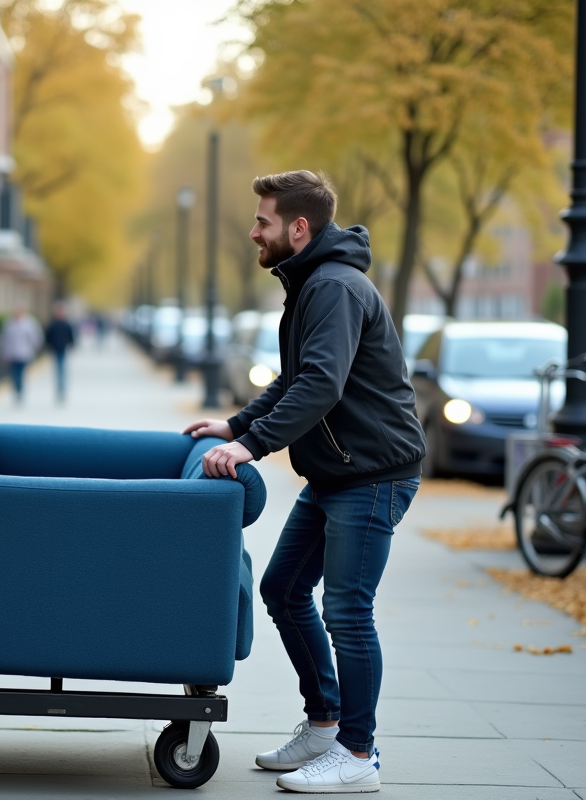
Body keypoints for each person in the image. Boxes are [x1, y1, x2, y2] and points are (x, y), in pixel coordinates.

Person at [184, 170, 425, 794]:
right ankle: (325, 721)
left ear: (299, 228)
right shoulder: (314, 283)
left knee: (346, 610)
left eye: (262, 221)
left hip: (372, 475)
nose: (252, 231)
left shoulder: (336, 287)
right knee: (283, 587)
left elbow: (321, 386)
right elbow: (295, 379)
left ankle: (358, 753)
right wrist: (233, 424)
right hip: (339, 472)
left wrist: (249, 446)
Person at [0, 306, 44, 403]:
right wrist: (4, 353)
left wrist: (36, 347)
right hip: (12, 354)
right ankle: (17, 389)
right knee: (14, 373)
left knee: (20, 373)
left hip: (24, 354)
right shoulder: (9, 324)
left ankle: (19, 389)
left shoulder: (29, 323)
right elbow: (4, 340)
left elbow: (35, 337)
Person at [43, 302, 76, 402]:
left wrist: (71, 344)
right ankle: (60, 389)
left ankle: (61, 389)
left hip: (63, 349)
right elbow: (48, 337)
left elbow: (71, 336)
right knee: (59, 369)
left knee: (61, 369)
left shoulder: (66, 324)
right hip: (55, 349)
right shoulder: (53, 324)